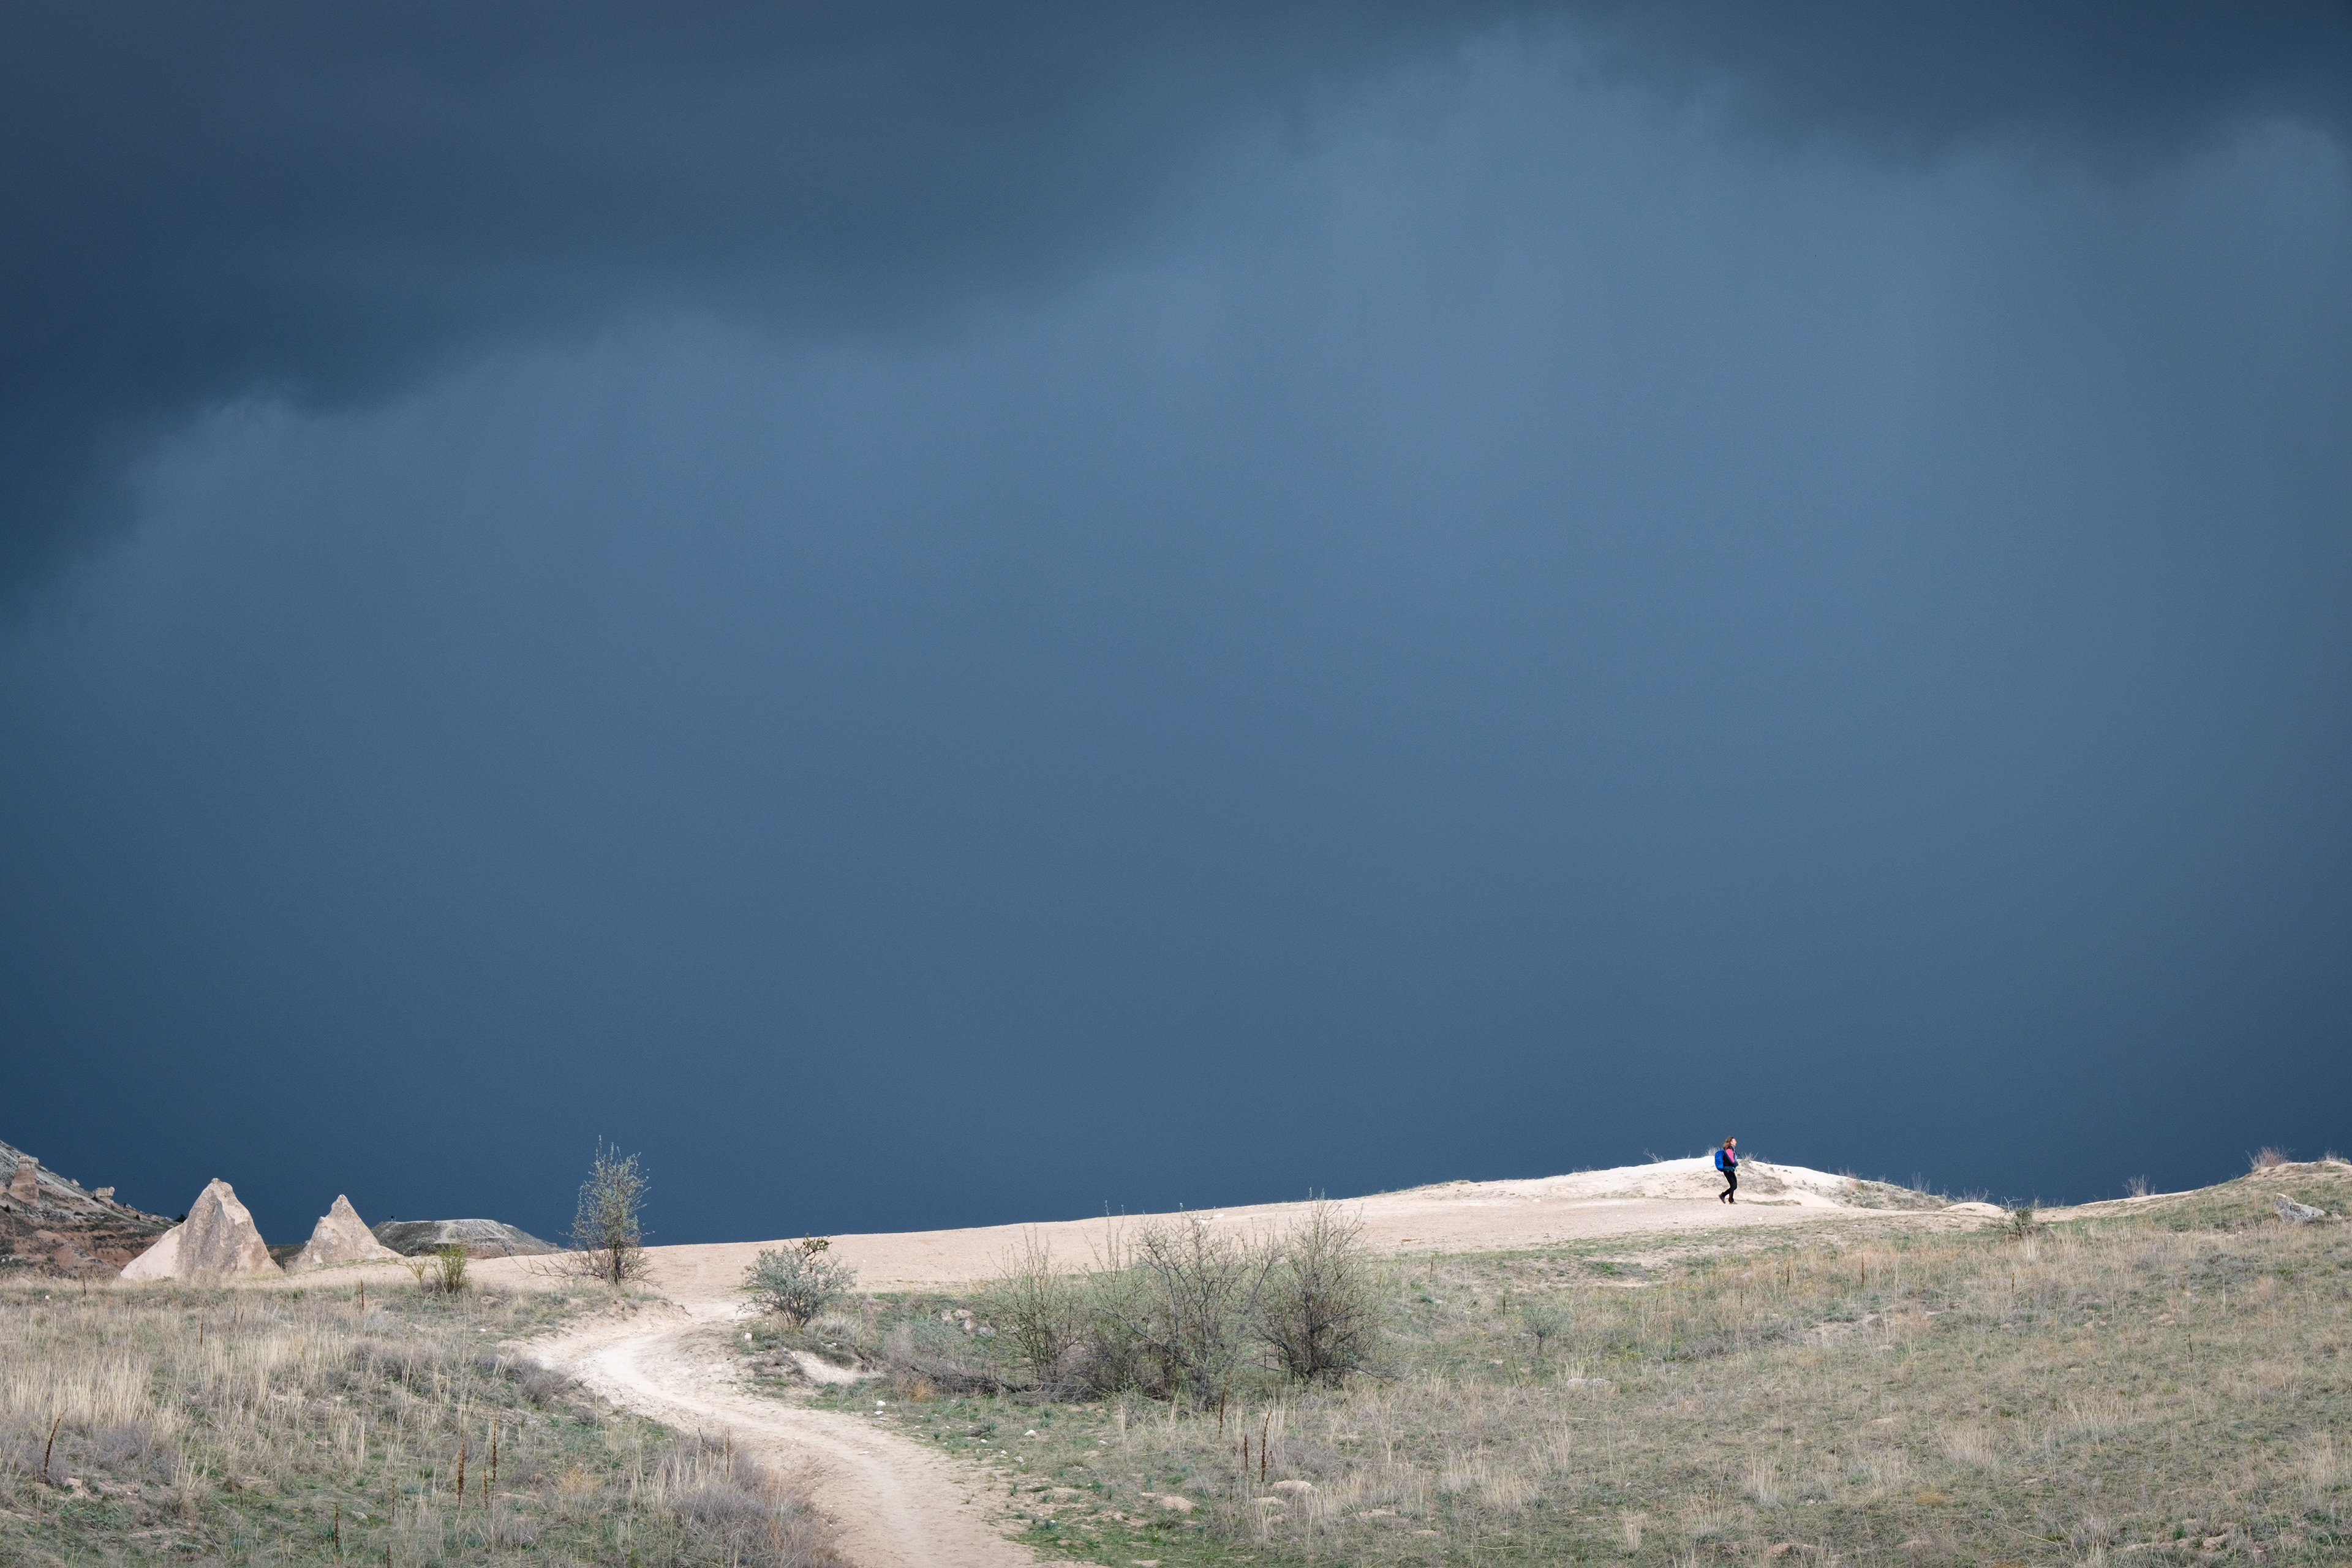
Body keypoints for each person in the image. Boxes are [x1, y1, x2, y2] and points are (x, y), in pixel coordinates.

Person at [1714, 1136, 1738, 1204]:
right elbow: (1732, 1161)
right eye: (1734, 1141)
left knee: (1735, 1186)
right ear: (1731, 1142)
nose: (1736, 1142)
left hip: (1730, 1169)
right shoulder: (1728, 1150)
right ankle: (1731, 1200)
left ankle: (1723, 1195)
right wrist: (1736, 1164)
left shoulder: (1732, 1150)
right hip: (1727, 1170)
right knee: (1733, 1185)